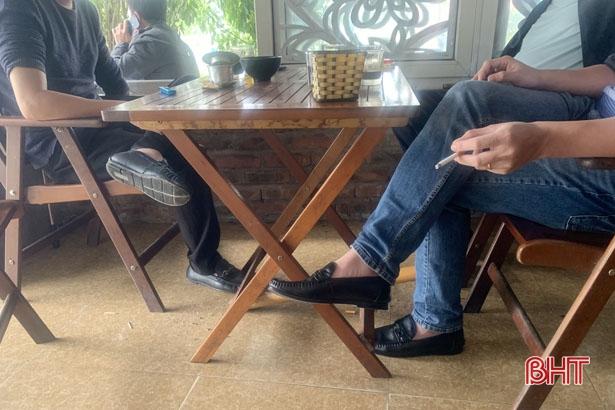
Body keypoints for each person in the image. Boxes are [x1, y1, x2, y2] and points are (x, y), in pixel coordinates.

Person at [269, 53, 615, 357]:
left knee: (440, 174)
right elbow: (610, 73)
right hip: (591, 109)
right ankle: (395, 286)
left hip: (605, 169)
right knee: (451, 103)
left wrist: (543, 138)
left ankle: (401, 291)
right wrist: (535, 76)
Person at [0, 0, 245, 293]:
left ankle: (144, 154)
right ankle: (205, 263)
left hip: (100, 129)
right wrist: (125, 110)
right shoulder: (19, 8)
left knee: (179, 128)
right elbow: (34, 103)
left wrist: (158, 103)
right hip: (60, 143)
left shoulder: (86, 11)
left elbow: (116, 85)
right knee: (180, 152)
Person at [394, 0, 615, 151]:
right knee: (409, 108)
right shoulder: (549, 5)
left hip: (560, 98)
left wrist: (537, 77)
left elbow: (610, 74)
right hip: (513, 86)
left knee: (470, 96)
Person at [110, 0, 199, 81]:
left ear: (136, 17)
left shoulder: (150, 41)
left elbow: (112, 73)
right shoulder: (168, 35)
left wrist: (121, 44)